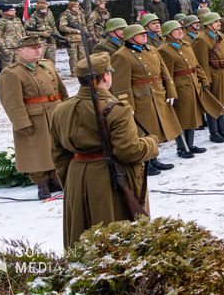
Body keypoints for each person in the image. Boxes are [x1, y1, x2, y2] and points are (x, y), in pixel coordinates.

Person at [50, 52, 160, 249]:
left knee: (82, 236)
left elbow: (58, 154)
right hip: (109, 179)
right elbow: (128, 150)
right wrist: (151, 143)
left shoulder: (61, 109)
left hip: (76, 176)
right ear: (106, 76)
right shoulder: (117, 109)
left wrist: (72, 184)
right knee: (116, 236)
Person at [0, 35, 68, 199]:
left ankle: (54, 177)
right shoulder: (12, 73)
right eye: (33, 48)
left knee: (55, 146)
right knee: (36, 150)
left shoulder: (47, 65)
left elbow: (61, 90)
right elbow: (11, 101)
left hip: (54, 111)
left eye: (39, 47)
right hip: (34, 115)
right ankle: (41, 182)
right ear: (20, 51)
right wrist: (21, 123)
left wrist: (66, 107)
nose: (38, 50)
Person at [110, 24, 182, 176]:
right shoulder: (121, 55)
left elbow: (165, 72)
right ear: (130, 38)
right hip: (140, 98)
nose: (144, 35)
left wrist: (170, 91)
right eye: (140, 34)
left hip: (156, 93)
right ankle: (146, 162)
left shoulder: (152, 49)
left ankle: (154, 159)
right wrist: (127, 105)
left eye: (144, 33)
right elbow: (121, 85)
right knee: (143, 131)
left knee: (155, 129)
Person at [158, 20, 221, 156]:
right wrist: (171, 93)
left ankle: (190, 145)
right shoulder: (164, 50)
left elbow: (196, 65)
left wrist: (203, 79)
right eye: (176, 30)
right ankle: (182, 148)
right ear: (168, 34)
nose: (181, 31)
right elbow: (167, 75)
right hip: (180, 87)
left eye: (181, 29)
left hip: (193, 84)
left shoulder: (185, 45)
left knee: (192, 115)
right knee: (182, 117)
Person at [193, 12, 224, 143]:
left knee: (223, 101)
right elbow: (202, 62)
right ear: (208, 24)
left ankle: (221, 129)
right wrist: (207, 80)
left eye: (219, 21)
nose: (219, 23)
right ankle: (214, 132)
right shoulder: (201, 39)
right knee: (214, 103)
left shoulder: (220, 35)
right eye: (216, 21)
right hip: (213, 74)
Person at [58, 0, 88, 70]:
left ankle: (82, 70)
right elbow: (62, 27)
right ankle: (74, 71)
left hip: (81, 38)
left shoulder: (80, 14)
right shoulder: (65, 15)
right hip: (71, 39)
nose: (77, 8)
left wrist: (86, 34)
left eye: (78, 6)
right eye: (75, 7)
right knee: (73, 57)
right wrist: (75, 31)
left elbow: (84, 25)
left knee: (82, 56)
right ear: (70, 7)